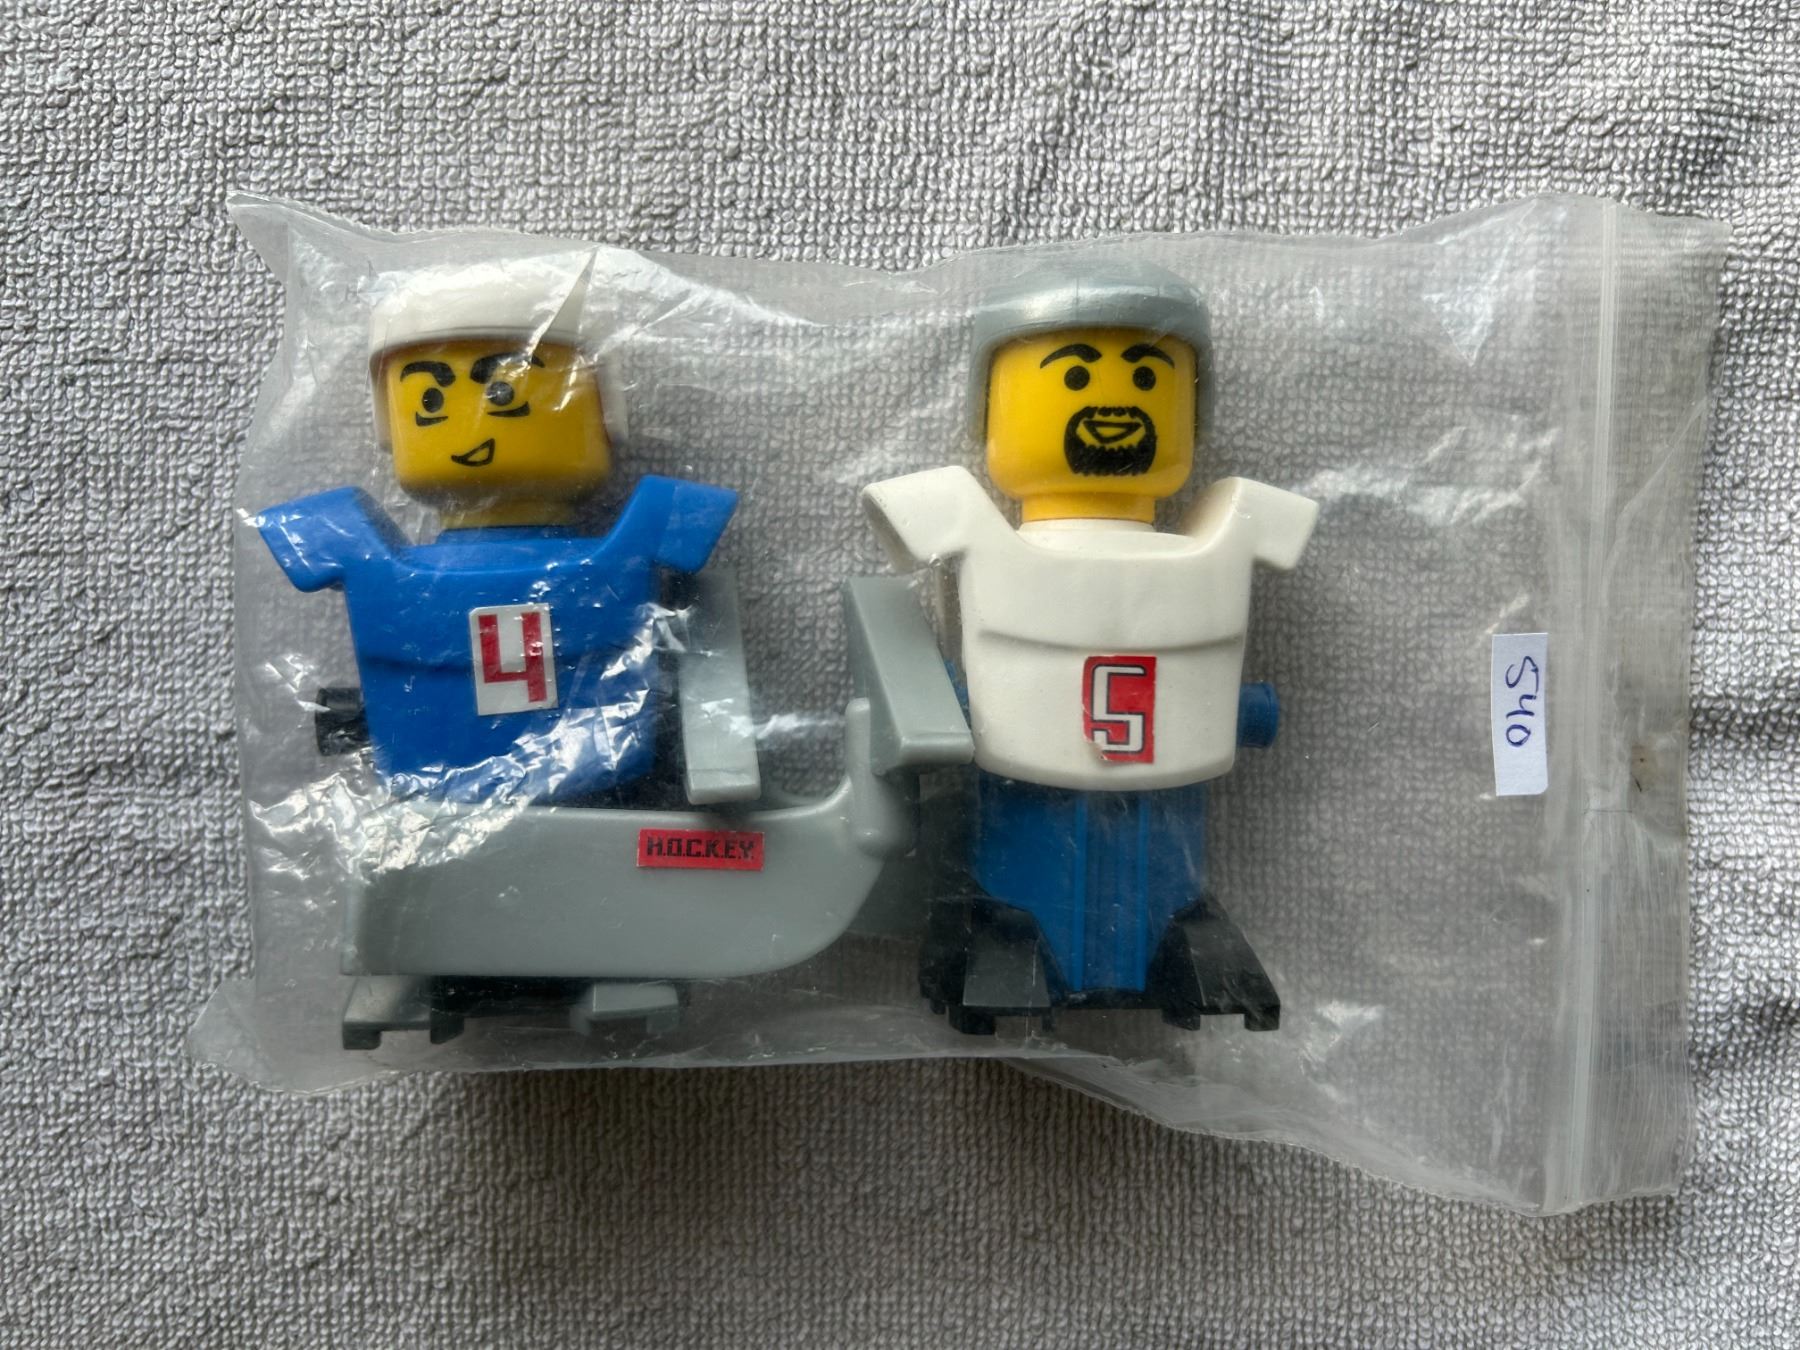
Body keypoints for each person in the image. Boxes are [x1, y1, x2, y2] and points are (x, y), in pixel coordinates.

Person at [862, 263, 1317, 1031]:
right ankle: (1014, 951)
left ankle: (1177, 948)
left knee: (1164, 885)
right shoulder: (953, 517)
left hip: (1169, 822)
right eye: (1071, 377)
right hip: (1018, 816)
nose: (1112, 405)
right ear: (991, 411)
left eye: (1148, 378)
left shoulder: (1236, 528)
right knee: (1018, 880)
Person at [256, 260, 737, 804]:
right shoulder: (350, 542)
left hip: (597, 790)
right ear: (388, 423)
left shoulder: (651, 529)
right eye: (430, 401)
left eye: (504, 393)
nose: (471, 429)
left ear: (606, 405)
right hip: (455, 792)